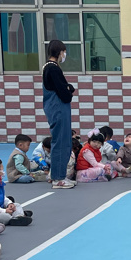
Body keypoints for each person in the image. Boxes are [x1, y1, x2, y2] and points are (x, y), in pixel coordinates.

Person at [42, 39, 76, 189]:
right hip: (59, 109)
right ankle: (58, 178)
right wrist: (69, 90)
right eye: (64, 52)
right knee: (61, 143)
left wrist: (68, 88)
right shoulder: (54, 69)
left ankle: (58, 175)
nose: (64, 55)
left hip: (54, 108)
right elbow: (64, 92)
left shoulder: (47, 67)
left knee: (61, 141)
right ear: (60, 52)